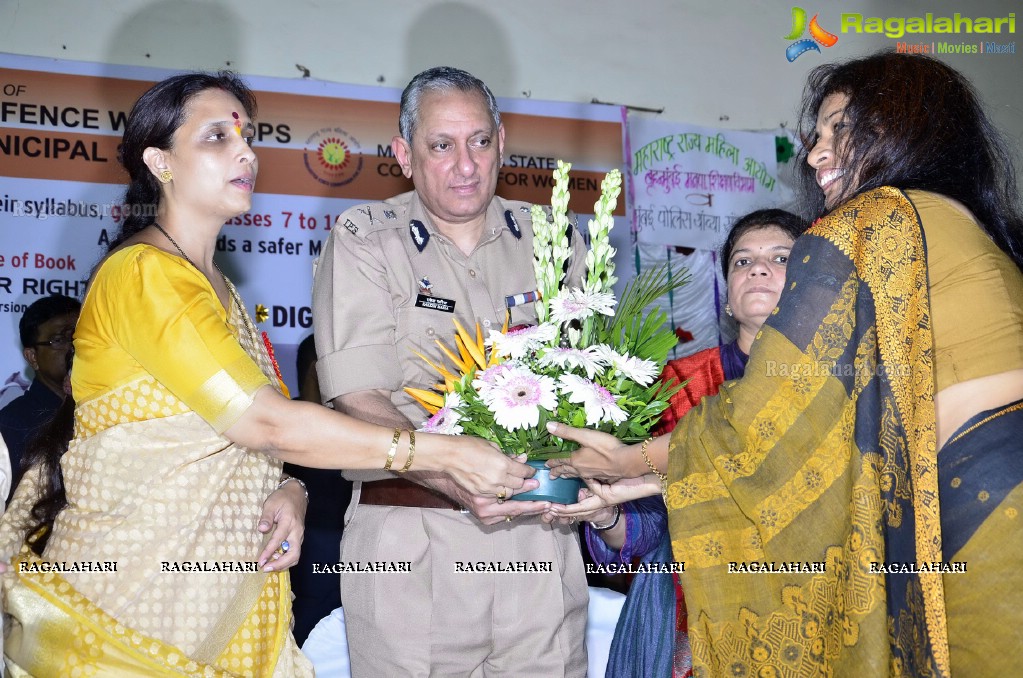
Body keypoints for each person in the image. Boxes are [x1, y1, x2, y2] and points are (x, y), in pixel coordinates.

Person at [0, 71, 535, 676]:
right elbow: (264, 422)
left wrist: (293, 491)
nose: (246, 152)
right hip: (128, 609)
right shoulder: (144, 276)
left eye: (247, 135)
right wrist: (444, 452)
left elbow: (246, 445)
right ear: (160, 162)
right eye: (216, 138)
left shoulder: (219, 290)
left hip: (222, 605)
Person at [549, 52, 1023, 676]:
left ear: (907, 127)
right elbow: (819, 441)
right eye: (816, 136)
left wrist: (624, 459)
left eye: (840, 130)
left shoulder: (874, 221)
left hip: (969, 505)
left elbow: (764, 420)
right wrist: (649, 483)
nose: (816, 154)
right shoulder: (971, 230)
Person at [312, 66, 590, 676]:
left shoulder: (554, 238)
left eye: (479, 142)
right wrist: (452, 473)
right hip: (411, 548)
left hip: (538, 541)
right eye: (441, 145)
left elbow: (588, 389)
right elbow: (357, 399)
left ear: (502, 142)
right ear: (404, 156)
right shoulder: (366, 240)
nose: (465, 165)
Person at [571, 210, 805, 678]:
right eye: (742, 262)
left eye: (780, 258)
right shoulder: (681, 384)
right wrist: (608, 516)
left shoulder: (847, 384)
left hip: (811, 604)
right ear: (727, 301)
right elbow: (646, 526)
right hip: (692, 616)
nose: (757, 269)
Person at [282, 334, 351, 645]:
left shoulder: (354, 430)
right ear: (317, 370)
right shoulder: (276, 429)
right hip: (304, 562)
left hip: (354, 560)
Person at [0, 294, 79, 500]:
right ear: (32, 356)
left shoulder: (103, 410)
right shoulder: (11, 424)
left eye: (79, 336)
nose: (73, 347)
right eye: (59, 340)